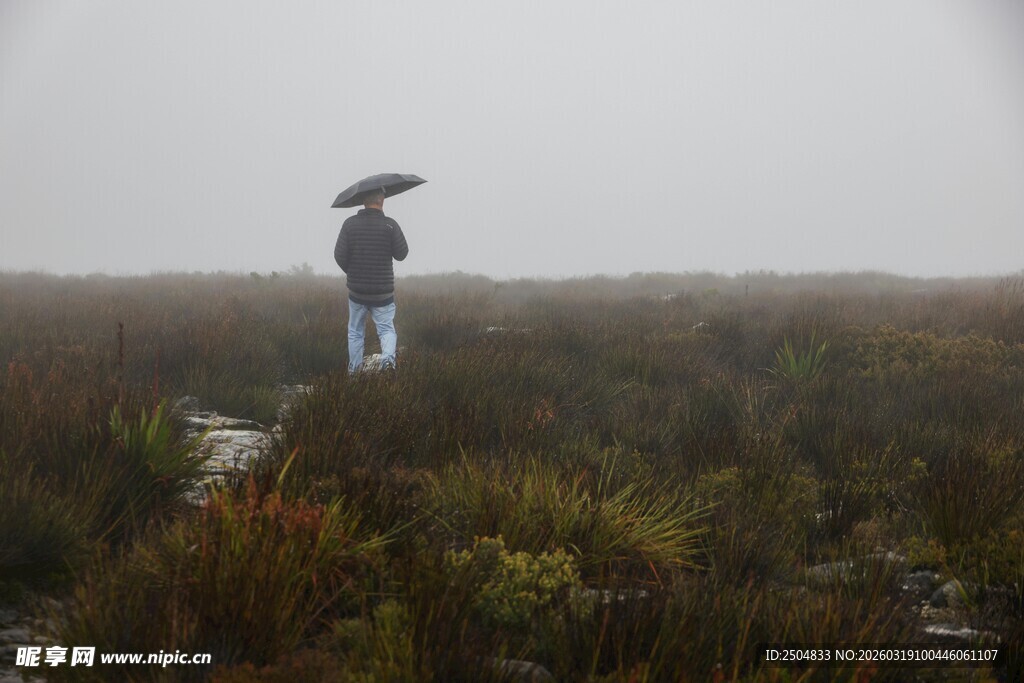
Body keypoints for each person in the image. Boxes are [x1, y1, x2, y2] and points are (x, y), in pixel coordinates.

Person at [334, 188, 409, 373]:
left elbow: (339, 255)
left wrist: (352, 272)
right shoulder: (390, 225)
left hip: (357, 292)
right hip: (383, 293)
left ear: (363, 201)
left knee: (355, 333)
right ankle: (387, 366)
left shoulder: (349, 224)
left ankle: (354, 373)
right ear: (382, 200)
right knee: (386, 331)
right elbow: (402, 254)